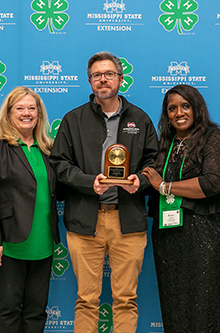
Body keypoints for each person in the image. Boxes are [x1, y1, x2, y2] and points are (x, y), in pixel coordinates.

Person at [50, 51, 158, 333]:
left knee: (126, 299)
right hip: (85, 221)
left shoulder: (140, 119)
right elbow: (59, 164)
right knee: (86, 300)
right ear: (89, 81)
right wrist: (89, 182)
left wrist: (141, 181)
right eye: (96, 75)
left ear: (120, 79)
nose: (103, 80)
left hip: (128, 221)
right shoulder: (73, 120)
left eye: (109, 74)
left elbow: (154, 162)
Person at [141, 84, 220, 332]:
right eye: (172, 108)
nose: (178, 113)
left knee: (206, 303)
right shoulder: (166, 142)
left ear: (197, 109)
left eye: (185, 106)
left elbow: (212, 182)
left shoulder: (212, 136)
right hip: (169, 234)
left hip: (208, 231)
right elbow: (151, 180)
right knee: (174, 302)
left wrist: (165, 186)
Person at [0, 86, 60, 332]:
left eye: (32, 108)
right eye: (19, 108)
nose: (26, 113)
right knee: (9, 310)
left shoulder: (48, 148)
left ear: (39, 114)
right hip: (9, 244)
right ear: (9, 114)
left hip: (43, 243)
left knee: (36, 311)